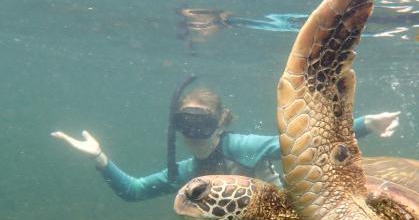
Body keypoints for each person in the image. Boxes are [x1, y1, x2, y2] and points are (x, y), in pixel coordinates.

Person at [51, 86, 400, 202]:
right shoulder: (186, 172)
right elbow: (133, 192)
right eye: (184, 123)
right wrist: (99, 157)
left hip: (291, 213)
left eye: (201, 123)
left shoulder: (244, 147)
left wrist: (366, 124)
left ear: (220, 123)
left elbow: (309, 143)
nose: (192, 132)